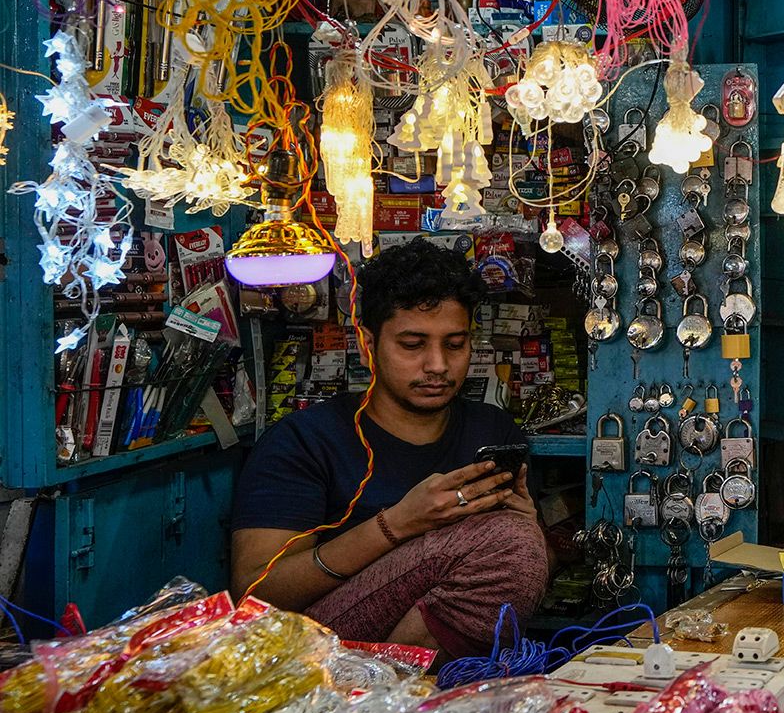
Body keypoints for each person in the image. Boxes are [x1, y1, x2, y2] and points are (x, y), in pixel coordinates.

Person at [230, 239, 550, 657]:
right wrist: (397, 524)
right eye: (412, 345)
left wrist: (533, 530)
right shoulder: (304, 441)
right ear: (368, 346)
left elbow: (519, 573)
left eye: (454, 344)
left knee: (514, 539)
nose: (437, 365)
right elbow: (256, 595)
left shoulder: (491, 428)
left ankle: (400, 692)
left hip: (429, 651)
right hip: (315, 647)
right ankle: (378, 694)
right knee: (507, 538)